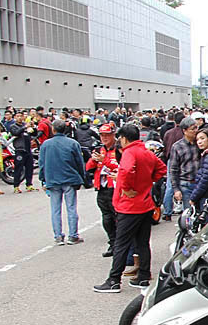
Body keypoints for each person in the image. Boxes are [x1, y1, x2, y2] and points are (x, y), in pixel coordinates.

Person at [94, 124, 166, 293]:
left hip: (129, 206)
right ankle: (143, 276)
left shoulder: (129, 152)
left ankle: (113, 280)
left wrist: (126, 187)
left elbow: (125, 171)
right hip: (145, 203)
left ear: (124, 138)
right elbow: (161, 169)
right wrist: (147, 181)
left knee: (121, 243)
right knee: (142, 243)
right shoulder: (146, 152)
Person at [38, 119, 86, 245]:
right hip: (69, 178)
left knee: (55, 209)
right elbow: (79, 162)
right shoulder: (72, 143)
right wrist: (82, 177)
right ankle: (73, 235)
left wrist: (43, 179)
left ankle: (58, 236)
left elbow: (42, 164)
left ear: (53, 130)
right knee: (71, 208)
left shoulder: (46, 145)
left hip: (52, 179)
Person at [86, 124, 120, 257]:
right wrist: (94, 160)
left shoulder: (118, 150)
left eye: (107, 135)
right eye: (102, 135)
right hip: (102, 188)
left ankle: (120, 246)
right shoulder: (99, 150)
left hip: (115, 188)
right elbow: (88, 168)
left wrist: (104, 160)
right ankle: (112, 244)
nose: (104, 138)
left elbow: (119, 167)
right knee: (106, 219)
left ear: (113, 135)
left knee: (117, 218)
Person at [168, 117, 200, 210]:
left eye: (196, 128)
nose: (195, 131)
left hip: (200, 184)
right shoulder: (177, 146)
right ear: (185, 131)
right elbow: (173, 169)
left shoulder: (199, 143)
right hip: (186, 185)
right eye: (192, 129)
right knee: (189, 212)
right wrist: (176, 189)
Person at [8, 111, 36, 193]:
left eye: (21, 116)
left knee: (30, 168)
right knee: (18, 169)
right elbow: (16, 132)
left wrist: (33, 127)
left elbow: (34, 134)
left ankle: (29, 185)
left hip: (28, 150)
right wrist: (24, 127)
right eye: (18, 116)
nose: (20, 118)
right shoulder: (13, 126)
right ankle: (16, 186)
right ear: (15, 117)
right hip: (19, 150)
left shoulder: (26, 125)